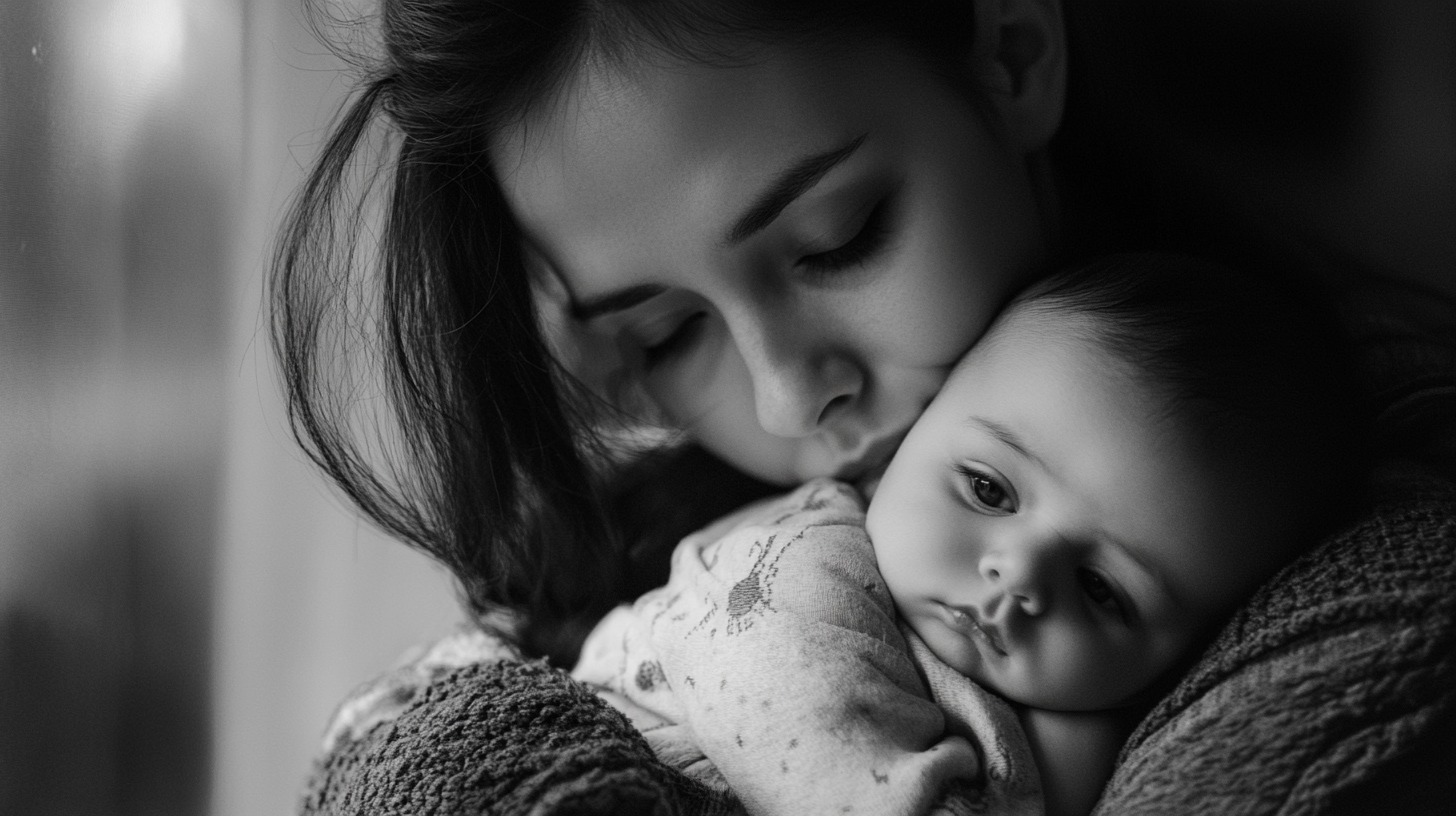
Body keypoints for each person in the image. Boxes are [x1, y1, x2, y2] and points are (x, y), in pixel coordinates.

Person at [275, 1, 1456, 813]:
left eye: (838, 238)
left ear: (1006, 51)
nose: (791, 398)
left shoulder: (1352, 546)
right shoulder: (661, 559)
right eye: (667, 334)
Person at [571, 253, 1362, 816]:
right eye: (987, 489)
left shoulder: (1097, 732)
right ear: (906, 440)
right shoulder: (798, 569)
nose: (1017, 575)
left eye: (1103, 591)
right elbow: (820, 759)